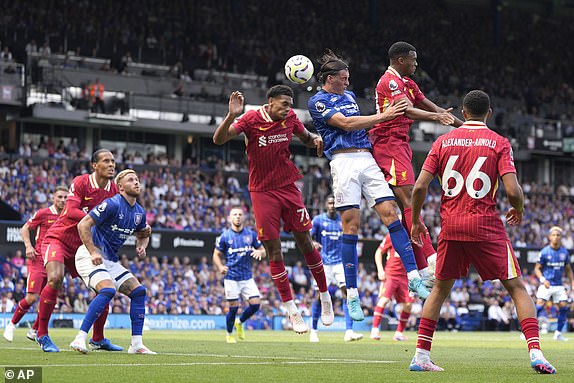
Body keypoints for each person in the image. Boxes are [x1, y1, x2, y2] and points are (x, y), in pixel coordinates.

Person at [409, 90, 556, 374]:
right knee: (516, 288)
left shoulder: (441, 142)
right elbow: (512, 190)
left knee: (438, 291)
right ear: (489, 113)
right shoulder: (499, 143)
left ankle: (420, 356)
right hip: (486, 226)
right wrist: (519, 208)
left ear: (463, 113)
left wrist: (415, 221)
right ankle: (536, 353)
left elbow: (418, 187)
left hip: (451, 226)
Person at [307, 50, 430, 322]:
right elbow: (346, 124)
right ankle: (352, 295)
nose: (347, 83)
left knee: (391, 215)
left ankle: (413, 276)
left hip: (367, 158)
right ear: (330, 79)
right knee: (351, 227)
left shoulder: (348, 97)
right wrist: (384, 116)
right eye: (343, 78)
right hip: (343, 163)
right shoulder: (317, 101)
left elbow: (359, 126)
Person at [213, 85, 334, 334]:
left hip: (288, 187)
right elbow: (219, 139)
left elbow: (306, 138)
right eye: (284, 104)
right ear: (270, 103)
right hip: (262, 192)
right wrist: (231, 115)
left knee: (306, 244)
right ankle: (292, 310)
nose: (288, 108)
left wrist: (317, 140)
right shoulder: (250, 119)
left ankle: (325, 296)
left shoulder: (290, 119)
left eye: (290, 104)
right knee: (274, 252)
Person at [369, 41, 463, 281]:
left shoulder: (408, 83)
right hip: (388, 143)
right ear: (401, 60)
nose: (416, 63)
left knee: (407, 208)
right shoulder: (389, 81)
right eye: (413, 59)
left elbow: (433, 107)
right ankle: (431, 259)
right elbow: (406, 110)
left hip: (401, 143)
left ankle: (423, 269)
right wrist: (435, 116)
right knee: (409, 199)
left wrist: (468, 129)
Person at [35, 149, 122, 352]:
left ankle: (98, 338)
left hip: (84, 247)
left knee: (104, 287)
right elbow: (70, 210)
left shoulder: (114, 191)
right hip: (60, 239)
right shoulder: (82, 181)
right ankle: (42, 334)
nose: (111, 165)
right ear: (94, 165)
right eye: (106, 161)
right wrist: (97, 217)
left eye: (113, 161)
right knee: (55, 278)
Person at [70, 169, 155, 354]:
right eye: (131, 179)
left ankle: (136, 344)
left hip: (109, 260)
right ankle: (80, 338)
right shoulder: (112, 203)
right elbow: (83, 224)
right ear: (121, 187)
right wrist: (93, 252)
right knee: (108, 290)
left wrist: (142, 245)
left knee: (139, 291)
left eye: (137, 179)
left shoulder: (139, 212)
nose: (136, 182)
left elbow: (144, 232)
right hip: (88, 254)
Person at [3, 186, 68, 343]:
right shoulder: (43, 213)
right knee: (32, 298)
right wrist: (28, 246)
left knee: (50, 298)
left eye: (66, 197)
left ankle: (34, 330)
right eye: (59, 197)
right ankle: (11, 325)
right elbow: (25, 228)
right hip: (38, 260)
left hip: (54, 262)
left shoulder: (67, 216)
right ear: (53, 198)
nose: (63, 200)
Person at [309, 196, 363, 343]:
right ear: (326, 205)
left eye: (334, 203)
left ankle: (349, 331)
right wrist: (313, 243)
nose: (332, 206)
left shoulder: (342, 220)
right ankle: (313, 331)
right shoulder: (319, 220)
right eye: (330, 203)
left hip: (340, 263)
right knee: (318, 297)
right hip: (324, 263)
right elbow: (309, 236)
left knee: (348, 294)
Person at [213, 207, 266, 343]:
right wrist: (220, 267)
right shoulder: (224, 236)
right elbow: (216, 255)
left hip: (247, 277)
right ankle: (229, 333)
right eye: (234, 214)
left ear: (244, 218)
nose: (237, 217)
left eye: (240, 214)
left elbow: (263, 250)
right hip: (231, 278)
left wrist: (261, 253)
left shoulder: (251, 235)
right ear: (230, 218)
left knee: (255, 304)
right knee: (234, 307)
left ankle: (240, 321)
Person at [370, 233, 413, 342]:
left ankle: (399, 333)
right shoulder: (391, 235)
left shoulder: (413, 236)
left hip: (405, 276)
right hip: (391, 274)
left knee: (408, 305)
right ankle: (374, 329)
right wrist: (380, 270)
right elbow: (378, 252)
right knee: (384, 300)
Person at [534, 226, 574, 341]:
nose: (556, 237)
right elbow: (537, 269)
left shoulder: (564, 253)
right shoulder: (544, 252)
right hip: (546, 284)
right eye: (554, 235)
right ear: (549, 237)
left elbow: (568, 269)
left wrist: (572, 281)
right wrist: (542, 280)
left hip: (559, 285)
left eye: (558, 235)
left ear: (561, 237)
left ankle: (558, 333)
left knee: (564, 307)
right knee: (538, 306)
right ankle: (527, 331)